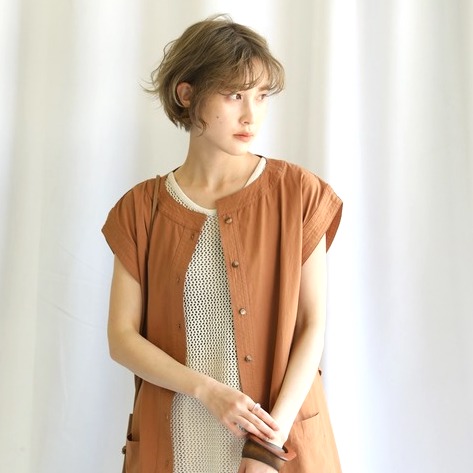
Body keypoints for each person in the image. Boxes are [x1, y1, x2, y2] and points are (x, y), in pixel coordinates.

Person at [102, 14, 343, 473]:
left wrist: (268, 447)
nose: (251, 114)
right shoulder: (141, 209)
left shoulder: (298, 194)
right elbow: (122, 338)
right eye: (234, 95)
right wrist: (207, 390)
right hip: (179, 440)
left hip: (278, 442)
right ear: (187, 94)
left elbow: (312, 325)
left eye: (261, 95)